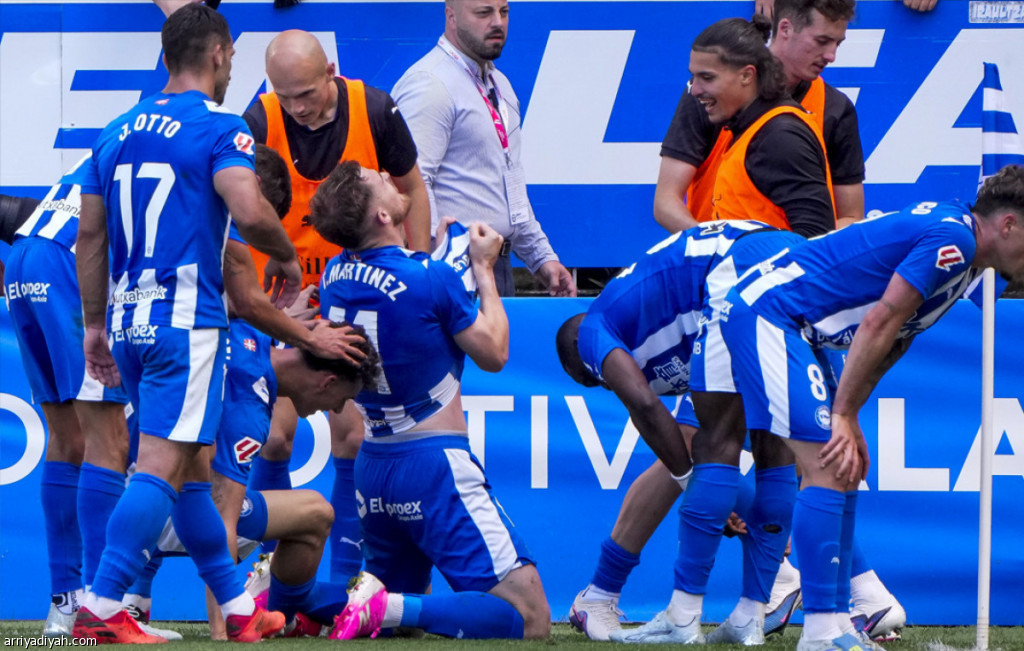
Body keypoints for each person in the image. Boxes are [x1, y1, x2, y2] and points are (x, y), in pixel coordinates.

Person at [574, 15, 833, 645]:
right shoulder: (747, 130)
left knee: (719, 452)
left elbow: (819, 240)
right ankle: (753, 611)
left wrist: (773, 308)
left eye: (705, 78)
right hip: (753, 306)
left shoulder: (778, 135)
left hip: (756, 306)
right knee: (767, 454)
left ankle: (695, 611)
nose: (694, 90)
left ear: (748, 75)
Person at [689, 165, 1024, 651]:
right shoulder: (955, 241)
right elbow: (879, 321)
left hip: (793, 325)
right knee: (828, 465)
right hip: (769, 313)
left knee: (842, 467)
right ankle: (821, 630)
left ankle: (832, 623)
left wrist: (852, 412)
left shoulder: (966, 259)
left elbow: (897, 338)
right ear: (1009, 224)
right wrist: (842, 415)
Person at [72, 4, 302, 643]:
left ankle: (239, 608)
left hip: (129, 322)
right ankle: (102, 605)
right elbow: (249, 208)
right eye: (231, 59)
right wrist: (285, 254)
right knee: (157, 467)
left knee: (194, 473)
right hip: (186, 322)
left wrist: (93, 325)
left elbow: (90, 236)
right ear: (220, 54)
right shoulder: (221, 126)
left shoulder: (114, 130)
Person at [308, 160, 551, 640]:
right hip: (433, 465)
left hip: (375, 465)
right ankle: (375, 605)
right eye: (378, 179)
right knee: (529, 616)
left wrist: (438, 256)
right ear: (381, 216)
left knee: (402, 627)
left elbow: (397, 290)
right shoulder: (432, 278)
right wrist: (482, 268)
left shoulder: (335, 273)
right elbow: (495, 352)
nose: (387, 175)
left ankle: (294, 595)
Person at [242, 29, 430, 586]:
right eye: (285, 96)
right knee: (273, 436)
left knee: (352, 435)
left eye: (305, 93)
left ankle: (348, 581)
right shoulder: (260, 119)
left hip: (353, 296)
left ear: (330, 72)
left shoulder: (374, 109)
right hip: (282, 300)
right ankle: (267, 574)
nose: (296, 107)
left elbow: (413, 190)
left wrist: (416, 268)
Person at [5, 158, 134, 639]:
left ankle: (65, 606)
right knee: (108, 440)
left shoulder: (120, 134)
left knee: (67, 440)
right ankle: (102, 609)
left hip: (26, 255)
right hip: (71, 257)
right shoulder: (213, 137)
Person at [391, 0, 576, 298]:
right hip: (452, 272)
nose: (498, 22)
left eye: (504, 12)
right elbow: (410, 185)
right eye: (483, 12)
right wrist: (432, 269)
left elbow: (510, 185)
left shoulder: (499, 84)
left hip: (495, 264)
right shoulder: (429, 84)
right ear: (451, 16)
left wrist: (543, 258)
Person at [655, 0, 861, 233]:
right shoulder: (709, 93)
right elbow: (666, 202)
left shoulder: (834, 108)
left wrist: (780, 251)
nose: (832, 56)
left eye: (838, 43)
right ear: (785, 28)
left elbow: (850, 217)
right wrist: (712, 247)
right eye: (821, 41)